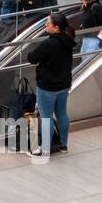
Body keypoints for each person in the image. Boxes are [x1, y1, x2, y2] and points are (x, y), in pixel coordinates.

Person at [25, 12, 76, 153]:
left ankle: (45, 148)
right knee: (62, 114)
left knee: (46, 117)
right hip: (64, 85)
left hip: (47, 87)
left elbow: (32, 58)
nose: (46, 25)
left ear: (56, 28)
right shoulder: (68, 41)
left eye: (48, 23)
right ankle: (63, 145)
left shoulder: (48, 44)